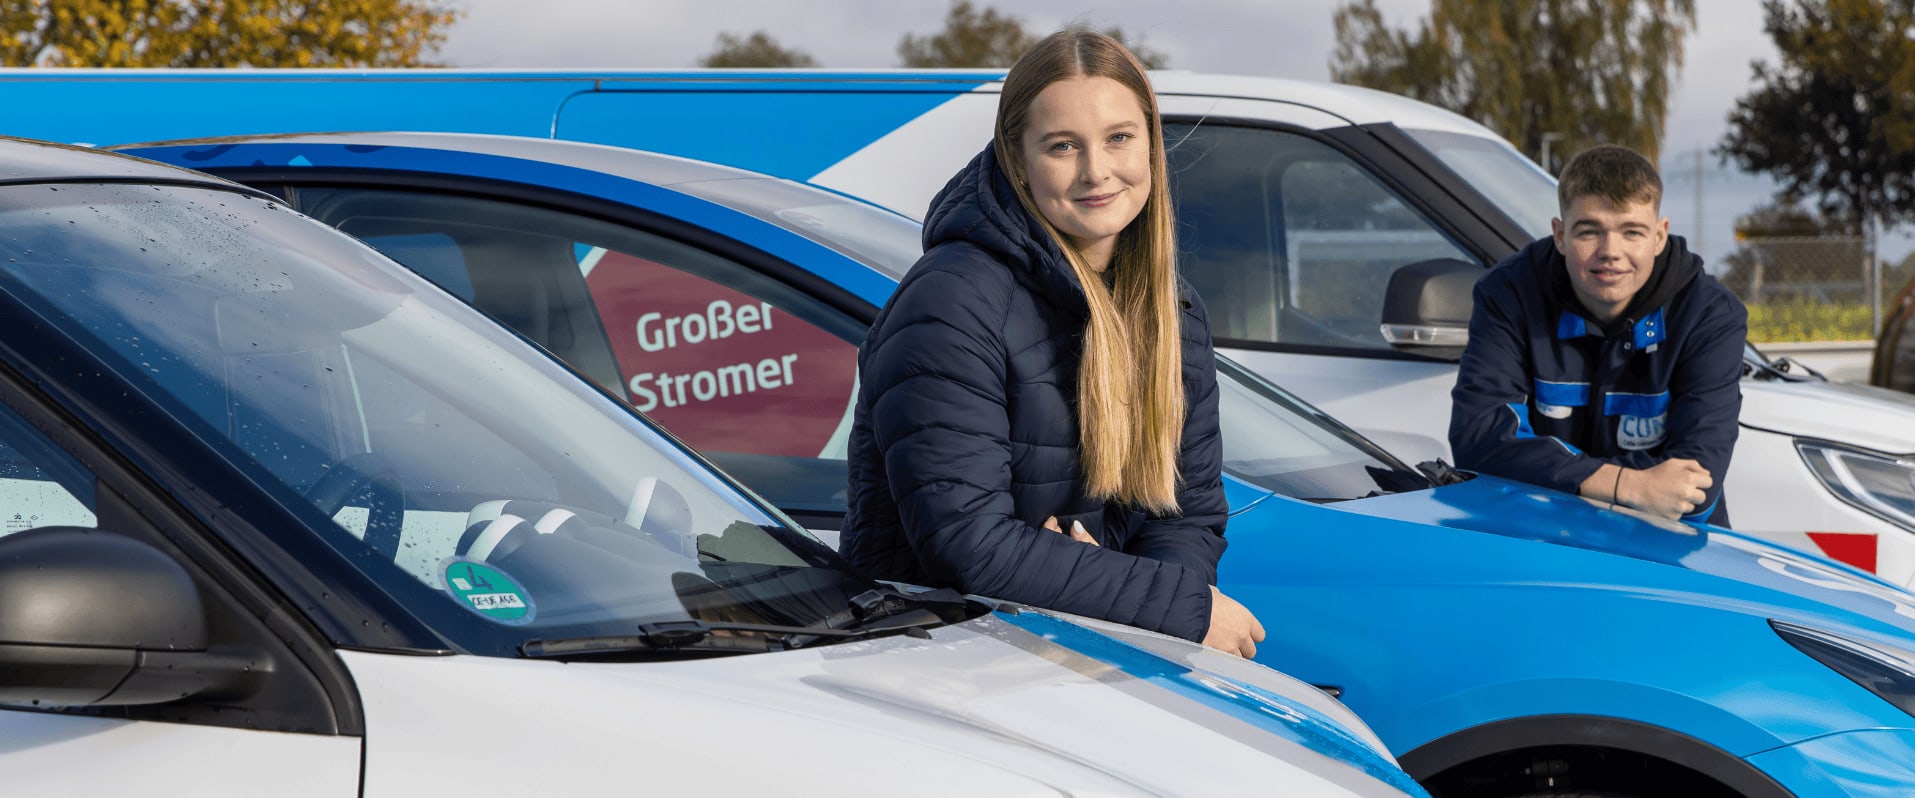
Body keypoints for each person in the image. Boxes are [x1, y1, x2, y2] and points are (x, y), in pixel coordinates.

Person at [841, 29, 1265, 657]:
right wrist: (1177, 608)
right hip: (938, 662)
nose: (1097, 170)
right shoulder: (953, 300)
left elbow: (1187, 512)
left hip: (1089, 656)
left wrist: (1137, 607)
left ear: (1151, 146)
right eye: (1063, 145)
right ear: (1017, 161)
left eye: (1119, 138)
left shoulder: (1171, 311)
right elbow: (969, 544)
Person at [1450, 144, 1746, 526]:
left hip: (1666, 545)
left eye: (1632, 232)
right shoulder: (1509, 294)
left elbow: (1695, 486)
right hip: (1538, 539)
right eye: (1589, 231)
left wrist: (1549, 472)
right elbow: (1478, 440)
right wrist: (1627, 485)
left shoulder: (1709, 313)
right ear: (1560, 235)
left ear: (1659, 236)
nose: (1610, 251)